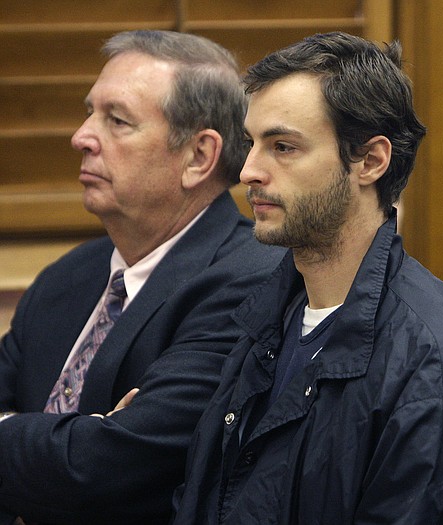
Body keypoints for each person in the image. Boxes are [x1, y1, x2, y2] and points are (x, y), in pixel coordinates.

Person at [171, 31, 443, 525]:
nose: (249, 171)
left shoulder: (440, 368)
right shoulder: (267, 320)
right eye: (251, 144)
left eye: (283, 147)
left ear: (370, 161)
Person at [0, 30, 285, 524]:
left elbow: (98, 468)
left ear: (198, 157)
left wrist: (79, 445)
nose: (81, 136)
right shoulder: (70, 275)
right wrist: (78, 434)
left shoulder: (251, 280)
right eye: (90, 112)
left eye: (117, 121)